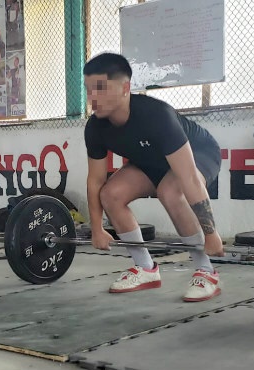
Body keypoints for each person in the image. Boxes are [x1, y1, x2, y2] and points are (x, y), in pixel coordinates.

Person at [82, 53, 225, 302]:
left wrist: (210, 234)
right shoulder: (95, 128)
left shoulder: (156, 116)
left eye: (100, 88)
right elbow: (95, 180)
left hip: (198, 153)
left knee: (171, 191)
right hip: (152, 162)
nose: (92, 97)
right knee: (110, 194)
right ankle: (146, 269)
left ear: (125, 88)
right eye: (88, 89)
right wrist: (96, 228)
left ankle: (206, 271)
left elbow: (189, 178)